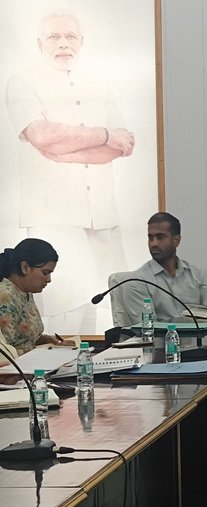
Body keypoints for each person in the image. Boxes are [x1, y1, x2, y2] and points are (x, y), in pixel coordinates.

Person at [6, 10, 135, 333]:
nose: (63, 43)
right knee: (64, 306)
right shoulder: (23, 81)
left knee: (111, 303)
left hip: (102, 213)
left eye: (70, 36)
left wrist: (63, 147)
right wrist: (103, 134)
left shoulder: (97, 83)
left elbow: (122, 144)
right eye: (54, 36)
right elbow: (42, 135)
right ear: (40, 43)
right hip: (55, 214)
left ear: (82, 42)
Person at [113, 212, 207, 326]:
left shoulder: (199, 275)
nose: (154, 244)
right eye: (150, 238)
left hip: (200, 337)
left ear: (176, 240)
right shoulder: (136, 282)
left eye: (160, 237)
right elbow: (148, 329)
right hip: (163, 338)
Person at [0, 238, 68, 354]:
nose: (49, 279)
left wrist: (44, 340)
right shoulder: (5, 297)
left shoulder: (24, 292)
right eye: (45, 273)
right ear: (25, 267)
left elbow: (22, 339)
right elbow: (6, 352)